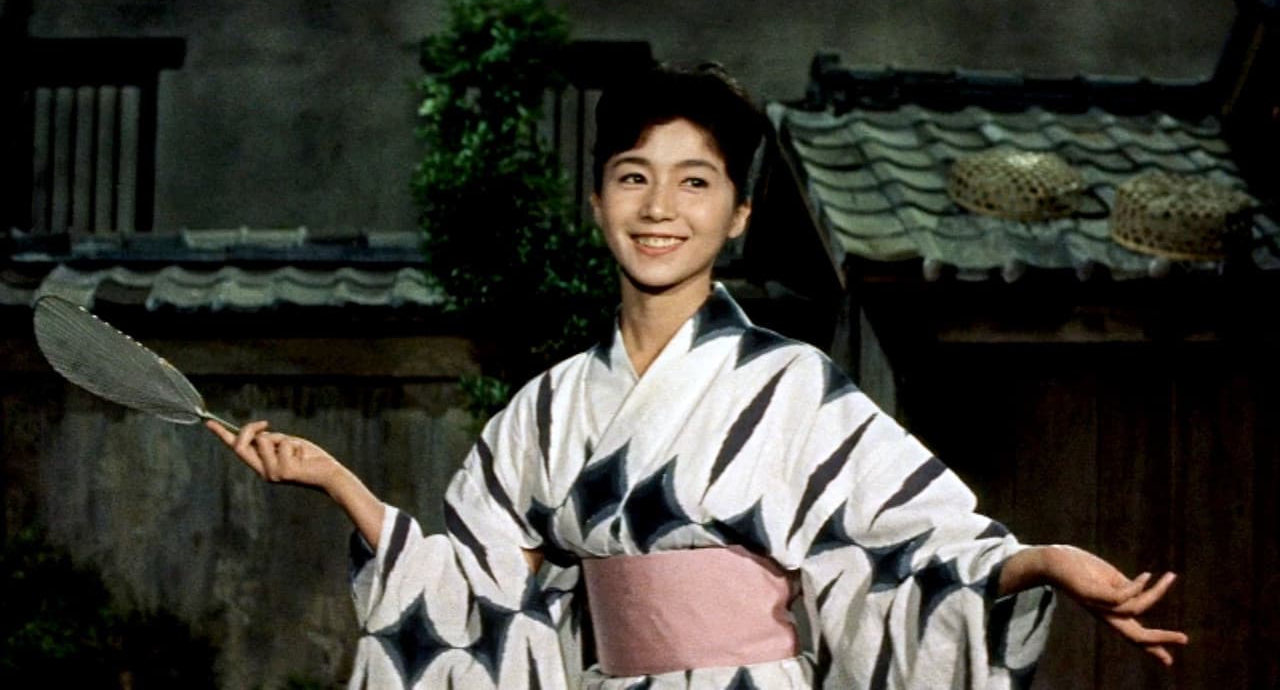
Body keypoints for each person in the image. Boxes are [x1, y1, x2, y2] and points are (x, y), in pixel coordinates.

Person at [208, 65, 1187, 689]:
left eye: (695, 181)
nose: (658, 207)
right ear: (596, 201)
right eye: (632, 176)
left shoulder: (795, 389)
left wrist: (1037, 563)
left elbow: (912, 559)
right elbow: (474, 597)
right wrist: (340, 486)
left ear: (737, 215)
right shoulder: (545, 409)